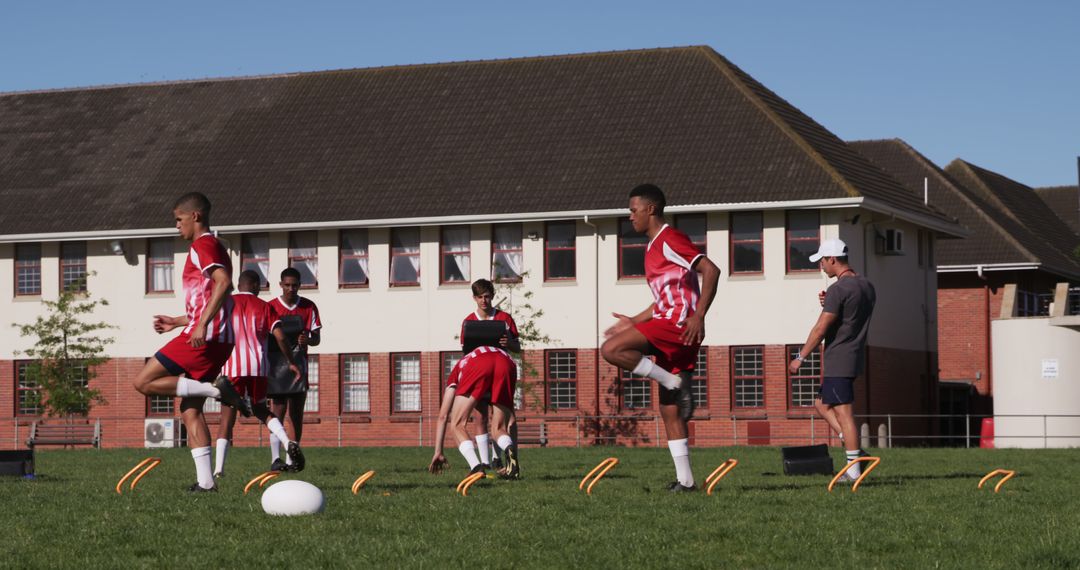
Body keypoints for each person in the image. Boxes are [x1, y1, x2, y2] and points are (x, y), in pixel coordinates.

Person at [601, 184, 720, 492]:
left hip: (678, 325)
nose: (630, 217)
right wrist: (634, 320)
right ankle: (687, 481)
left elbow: (711, 269)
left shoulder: (670, 238)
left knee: (611, 349)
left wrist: (699, 315)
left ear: (650, 209)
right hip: (670, 322)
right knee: (669, 410)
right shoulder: (654, 246)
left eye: (633, 210)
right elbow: (665, 297)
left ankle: (672, 381)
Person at [132, 192, 249, 493]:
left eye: (179, 219)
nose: (177, 226)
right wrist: (178, 321)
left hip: (207, 338)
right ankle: (207, 483)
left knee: (143, 382)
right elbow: (211, 297)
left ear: (195, 217)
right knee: (190, 410)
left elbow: (224, 283)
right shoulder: (213, 246)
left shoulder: (203, 245)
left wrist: (201, 324)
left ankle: (216, 389)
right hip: (218, 338)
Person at [789, 238, 876, 481]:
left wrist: (800, 357)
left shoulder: (839, 290)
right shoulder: (866, 285)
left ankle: (854, 469)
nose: (822, 267)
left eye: (823, 262)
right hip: (855, 355)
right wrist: (830, 303)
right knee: (821, 404)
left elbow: (820, 328)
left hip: (840, 356)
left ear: (833, 260)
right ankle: (856, 451)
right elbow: (850, 313)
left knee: (844, 413)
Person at [213, 270, 305, 479]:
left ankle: (219, 469)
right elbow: (280, 337)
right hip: (258, 368)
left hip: (232, 368)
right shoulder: (265, 307)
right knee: (261, 410)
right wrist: (291, 362)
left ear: (239, 285)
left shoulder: (226, 304)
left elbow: (211, 331)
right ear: (255, 285)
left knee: (227, 419)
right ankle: (287, 442)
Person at [428, 345, 519, 479]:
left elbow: (443, 416)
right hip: (508, 363)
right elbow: (512, 422)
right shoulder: (494, 355)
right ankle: (509, 452)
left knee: (457, 424)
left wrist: (438, 451)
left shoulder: (459, 368)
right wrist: (515, 451)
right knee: (499, 428)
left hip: (478, 365)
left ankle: (476, 466)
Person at [460, 279, 520, 470]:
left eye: (487, 296)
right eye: (479, 297)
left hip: (500, 373)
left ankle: (498, 458)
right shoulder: (468, 322)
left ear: (492, 296)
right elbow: (465, 352)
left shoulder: (505, 319)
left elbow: (517, 347)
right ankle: (485, 462)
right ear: (474, 298)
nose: (483, 301)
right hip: (479, 374)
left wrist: (508, 342)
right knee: (480, 417)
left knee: (503, 419)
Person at [266, 267, 322, 472]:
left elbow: (316, 338)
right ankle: (275, 459)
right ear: (280, 285)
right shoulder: (271, 307)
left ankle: (292, 460)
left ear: (300, 285)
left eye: (295, 285)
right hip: (276, 366)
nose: (291, 288)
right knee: (277, 412)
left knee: (296, 414)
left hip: (299, 365)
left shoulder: (308, 307)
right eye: (287, 285)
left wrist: (309, 339)